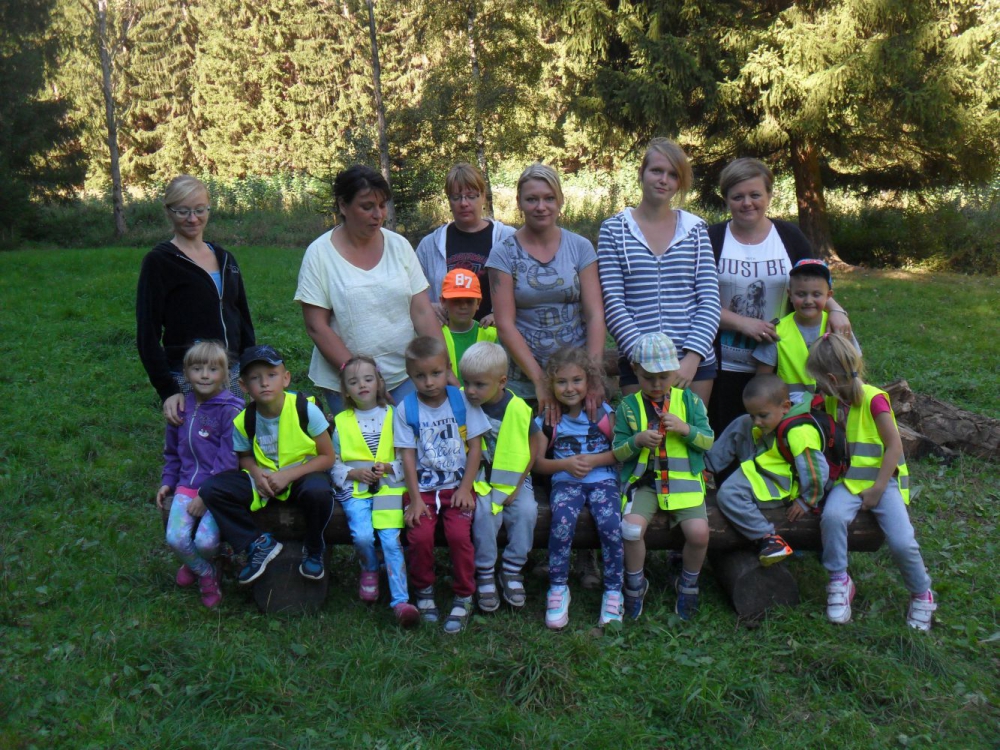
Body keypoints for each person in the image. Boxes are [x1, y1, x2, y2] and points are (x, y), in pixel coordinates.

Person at [708, 157, 850, 434]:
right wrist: (743, 323)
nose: (747, 203)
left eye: (755, 195)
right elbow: (698, 301)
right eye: (737, 197)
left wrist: (835, 308)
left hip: (780, 362)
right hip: (723, 365)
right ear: (726, 199)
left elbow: (813, 283)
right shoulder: (712, 238)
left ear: (769, 195)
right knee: (728, 435)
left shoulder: (789, 236)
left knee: (779, 436)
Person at [806, 334, 937, 630]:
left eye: (819, 380)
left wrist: (877, 489)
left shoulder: (874, 400)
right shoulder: (831, 401)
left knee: (903, 542)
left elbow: (894, 447)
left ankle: (922, 593)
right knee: (832, 518)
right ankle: (839, 579)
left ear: (831, 379)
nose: (817, 386)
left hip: (882, 482)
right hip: (849, 482)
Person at [295, 165, 442, 417]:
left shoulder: (399, 245)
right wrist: (361, 376)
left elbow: (422, 311)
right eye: (367, 207)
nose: (378, 215)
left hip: (407, 375)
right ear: (343, 205)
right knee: (364, 444)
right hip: (350, 384)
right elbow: (317, 326)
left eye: (382, 205)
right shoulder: (319, 254)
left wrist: (442, 365)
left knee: (415, 439)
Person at [598, 138, 720, 406]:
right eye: (656, 171)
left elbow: (709, 300)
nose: (664, 180)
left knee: (690, 432)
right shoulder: (614, 230)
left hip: (691, 367)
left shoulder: (695, 229)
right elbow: (613, 302)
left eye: (673, 174)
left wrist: (692, 357)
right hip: (639, 367)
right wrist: (647, 361)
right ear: (642, 173)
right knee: (644, 432)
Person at [199, 345, 335, 585]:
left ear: (286, 378)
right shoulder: (244, 420)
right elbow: (244, 456)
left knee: (319, 491)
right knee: (212, 489)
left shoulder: (305, 410)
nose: (264, 383)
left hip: (302, 476)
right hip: (265, 481)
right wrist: (256, 474)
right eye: (255, 378)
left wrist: (288, 475)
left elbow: (327, 457)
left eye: (271, 375)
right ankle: (257, 543)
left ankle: (314, 547)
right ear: (243, 386)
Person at [486, 163, 607, 418]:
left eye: (549, 198)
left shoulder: (580, 247)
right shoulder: (503, 253)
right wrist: (540, 381)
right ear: (519, 202)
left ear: (560, 201)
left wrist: (594, 375)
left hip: (576, 378)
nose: (541, 206)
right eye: (532, 199)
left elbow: (595, 314)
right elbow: (505, 324)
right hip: (524, 379)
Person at [136, 175, 254, 424]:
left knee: (235, 442)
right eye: (183, 211)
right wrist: (168, 390)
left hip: (232, 373)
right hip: (189, 377)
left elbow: (242, 318)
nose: (192, 219)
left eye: (199, 210)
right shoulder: (159, 262)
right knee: (195, 444)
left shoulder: (225, 259)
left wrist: (249, 368)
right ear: (168, 212)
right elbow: (147, 333)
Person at [613, 333, 714, 621]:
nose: (657, 384)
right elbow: (617, 452)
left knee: (699, 533)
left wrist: (685, 429)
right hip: (644, 484)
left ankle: (688, 582)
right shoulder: (628, 406)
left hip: (684, 483)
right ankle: (635, 583)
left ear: (675, 370)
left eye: (664, 377)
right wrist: (636, 441)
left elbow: (708, 441)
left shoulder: (690, 402)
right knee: (631, 530)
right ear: (635, 370)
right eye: (648, 378)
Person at [394, 336, 490, 634]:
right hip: (422, 491)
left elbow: (476, 447)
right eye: (420, 376)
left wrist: (465, 487)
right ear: (409, 375)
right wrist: (415, 499)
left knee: (459, 535)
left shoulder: (461, 401)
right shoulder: (406, 409)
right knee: (419, 536)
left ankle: (464, 594)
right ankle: (424, 591)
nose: (429, 382)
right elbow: (407, 456)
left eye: (436, 373)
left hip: (457, 486)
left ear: (448, 368)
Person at [531, 347, 623, 630]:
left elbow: (621, 452)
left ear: (589, 381)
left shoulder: (604, 414)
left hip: (603, 480)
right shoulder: (547, 420)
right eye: (561, 382)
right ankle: (558, 587)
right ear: (550, 385)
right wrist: (565, 465)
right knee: (562, 522)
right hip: (566, 481)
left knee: (610, 524)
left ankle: (613, 590)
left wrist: (594, 461)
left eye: (576, 380)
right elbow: (537, 463)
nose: (569, 388)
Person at [155, 341, 244, 608]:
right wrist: (168, 482)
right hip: (186, 485)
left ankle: (198, 561)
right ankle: (206, 573)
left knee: (205, 542)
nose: (205, 375)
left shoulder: (231, 410)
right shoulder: (181, 409)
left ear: (225, 374)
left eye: (213, 369)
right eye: (197, 369)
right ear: (186, 373)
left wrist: (207, 495)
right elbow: (172, 452)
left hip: (218, 491)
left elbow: (229, 458)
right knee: (175, 538)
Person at [331, 355, 419, 627]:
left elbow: (408, 457)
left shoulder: (395, 416)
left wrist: (390, 468)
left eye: (368, 379)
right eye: (354, 382)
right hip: (355, 491)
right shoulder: (341, 422)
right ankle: (369, 568)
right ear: (346, 390)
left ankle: (401, 601)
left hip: (389, 491)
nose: (362, 385)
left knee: (391, 541)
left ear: (379, 383)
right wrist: (352, 473)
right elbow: (333, 463)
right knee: (362, 536)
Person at [706, 374, 830, 566]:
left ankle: (768, 538)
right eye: (753, 415)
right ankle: (706, 468)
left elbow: (817, 470)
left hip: (782, 485)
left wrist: (807, 500)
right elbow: (753, 424)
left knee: (729, 495)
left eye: (762, 416)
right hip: (765, 461)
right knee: (742, 422)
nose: (757, 421)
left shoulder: (799, 433)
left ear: (786, 407)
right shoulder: (769, 420)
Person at [461, 342, 539, 615]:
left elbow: (535, 443)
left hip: (515, 477)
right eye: (466, 383)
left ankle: (512, 568)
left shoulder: (517, 408)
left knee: (527, 511)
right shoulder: (464, 403)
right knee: (484, 513)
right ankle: (484, 572)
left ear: (502, 382)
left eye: (479, 385)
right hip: (480, 478)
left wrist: (518, 485)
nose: (471, 390)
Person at [415, 163, 515, 323]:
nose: (464, 203)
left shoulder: (507, 238)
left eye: (471, 196)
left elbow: (526, 289)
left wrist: (501, 315)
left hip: (495, 335)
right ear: (449, 201)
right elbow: (412, 292)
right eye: (456, 197)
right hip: (447, 335)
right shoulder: (429, 245)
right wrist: (429, 306)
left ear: (483, 196)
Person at [754, 259, 860, 402]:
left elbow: (855, 369)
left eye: (816, 294)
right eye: (801, 294)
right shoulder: (777, 331)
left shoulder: (838, 326)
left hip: (835, 405)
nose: (808, 301)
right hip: (791, 409)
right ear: (790, 295)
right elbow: (762, 382)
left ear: (828, 295)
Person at [439, 268, 498, 386]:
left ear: (478, 303)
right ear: (443, 302)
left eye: (469, 301)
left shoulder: (491, 333)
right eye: (456, 301)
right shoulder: (436, 333)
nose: (463, 306)